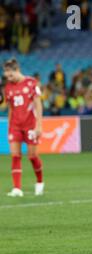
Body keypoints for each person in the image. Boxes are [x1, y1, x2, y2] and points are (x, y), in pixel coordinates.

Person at [2, 58, 44, 197]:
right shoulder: (8, 87)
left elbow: (38, 104)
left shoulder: (31, 83)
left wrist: (39, 125)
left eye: (10, 75)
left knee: (32, 156)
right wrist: (9, 126)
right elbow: (9, 108)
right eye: (6, 76)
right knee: (15, 155)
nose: (8, 78)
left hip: (30, 125)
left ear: (17, 70)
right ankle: (17, 188)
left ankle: (39, 182)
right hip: (15, 125)